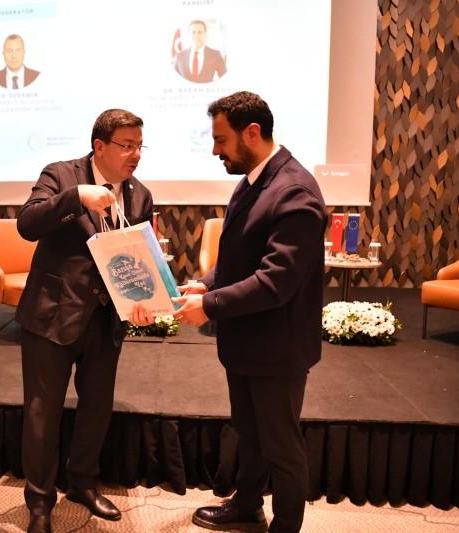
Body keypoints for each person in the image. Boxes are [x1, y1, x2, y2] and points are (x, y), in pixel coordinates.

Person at [173, 91, 328, 533]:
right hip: (247, 341)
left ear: (253, 133)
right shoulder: (254, 179)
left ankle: (286, 526)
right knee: (251, 432)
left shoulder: (294, 191)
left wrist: (210, 305)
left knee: (281, 446)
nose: (215, 150)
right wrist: (207, 283)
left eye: (221, 140)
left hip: (277, 348)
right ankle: (247, 506)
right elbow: (241, 254)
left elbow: (276, 281)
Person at [15, 109, 156, 533]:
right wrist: (77, 197)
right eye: (127, 146)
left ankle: (82, 483)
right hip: (53, 314)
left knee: (96, 408)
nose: (135, 155)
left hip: (105, 319)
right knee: (42, 413)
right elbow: (28, 223)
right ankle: (40, 504)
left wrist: (143, 301)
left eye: (140, 146)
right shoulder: (61, 175)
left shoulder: (140, 194)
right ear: (100, 146)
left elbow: (137, 258)